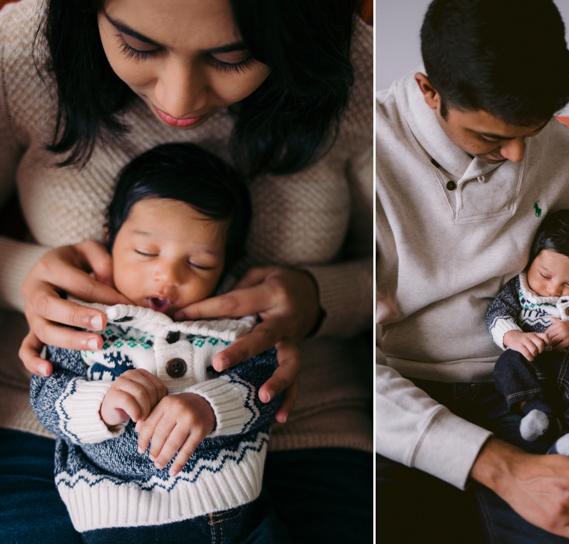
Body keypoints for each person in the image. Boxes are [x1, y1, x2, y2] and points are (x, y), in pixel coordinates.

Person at [0, 0, 373, 542]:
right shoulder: (20, 53)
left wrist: (321, 301)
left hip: (306, 431)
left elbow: (407, 275)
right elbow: (53, 395)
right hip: (51, 437)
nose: (178, 100)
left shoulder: (356, 72)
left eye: (232, 56)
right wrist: (26, 277)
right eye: (139, 46)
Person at [376, 1, 569, 542]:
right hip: (398, 395)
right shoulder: (366, 152)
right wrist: (502, 467)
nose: (520, 156)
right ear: (430, 92)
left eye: (534, 129)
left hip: (537, 385)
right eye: (491, 138)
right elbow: (342, 360)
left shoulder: (560, 154)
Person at [30, 142, 292, 542]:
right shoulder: (84, 320)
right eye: (145, 251)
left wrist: (209, 406)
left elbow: (268, 386)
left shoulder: (232, 325)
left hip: (233, 505)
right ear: (108, 240)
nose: (167, 276)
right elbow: (47, 396)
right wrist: (102, 407)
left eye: (199, 263)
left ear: (225, 266)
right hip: (115, 514)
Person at [487, 209, 569, 464]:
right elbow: (496, 313)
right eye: (545, 275)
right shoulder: (520, 288)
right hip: (534, 363)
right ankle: (538, 413)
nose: (553, 289)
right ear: (531, 260)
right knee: (507, 365)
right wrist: (514, 336)